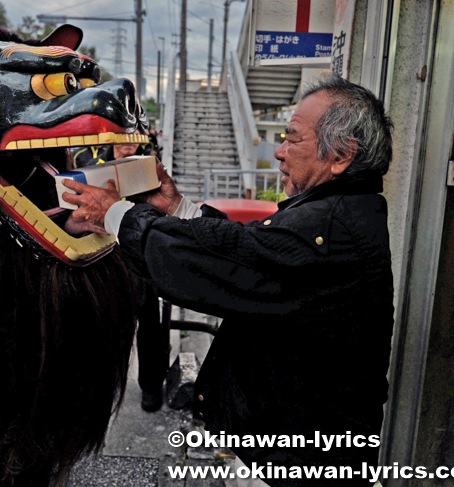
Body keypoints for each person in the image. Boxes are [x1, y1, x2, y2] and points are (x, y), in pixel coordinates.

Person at [62, 75, 394, 487]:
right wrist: (178, 209)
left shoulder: (327, 229)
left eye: (292, 139)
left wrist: (114, 215)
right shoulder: (339, 212)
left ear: (341, 155)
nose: (278, 152)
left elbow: (223, 262)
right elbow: (246, 251)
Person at [72, 140, 170, 412]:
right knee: (100, 325)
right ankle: (97, 390)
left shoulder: (148, 164)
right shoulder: (85, 158)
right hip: (99, 256)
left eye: (134, 132)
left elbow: (160, 206)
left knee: (149, 324)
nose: (129, 139)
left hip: (137, 254)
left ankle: (151, 387)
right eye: (123, 132)